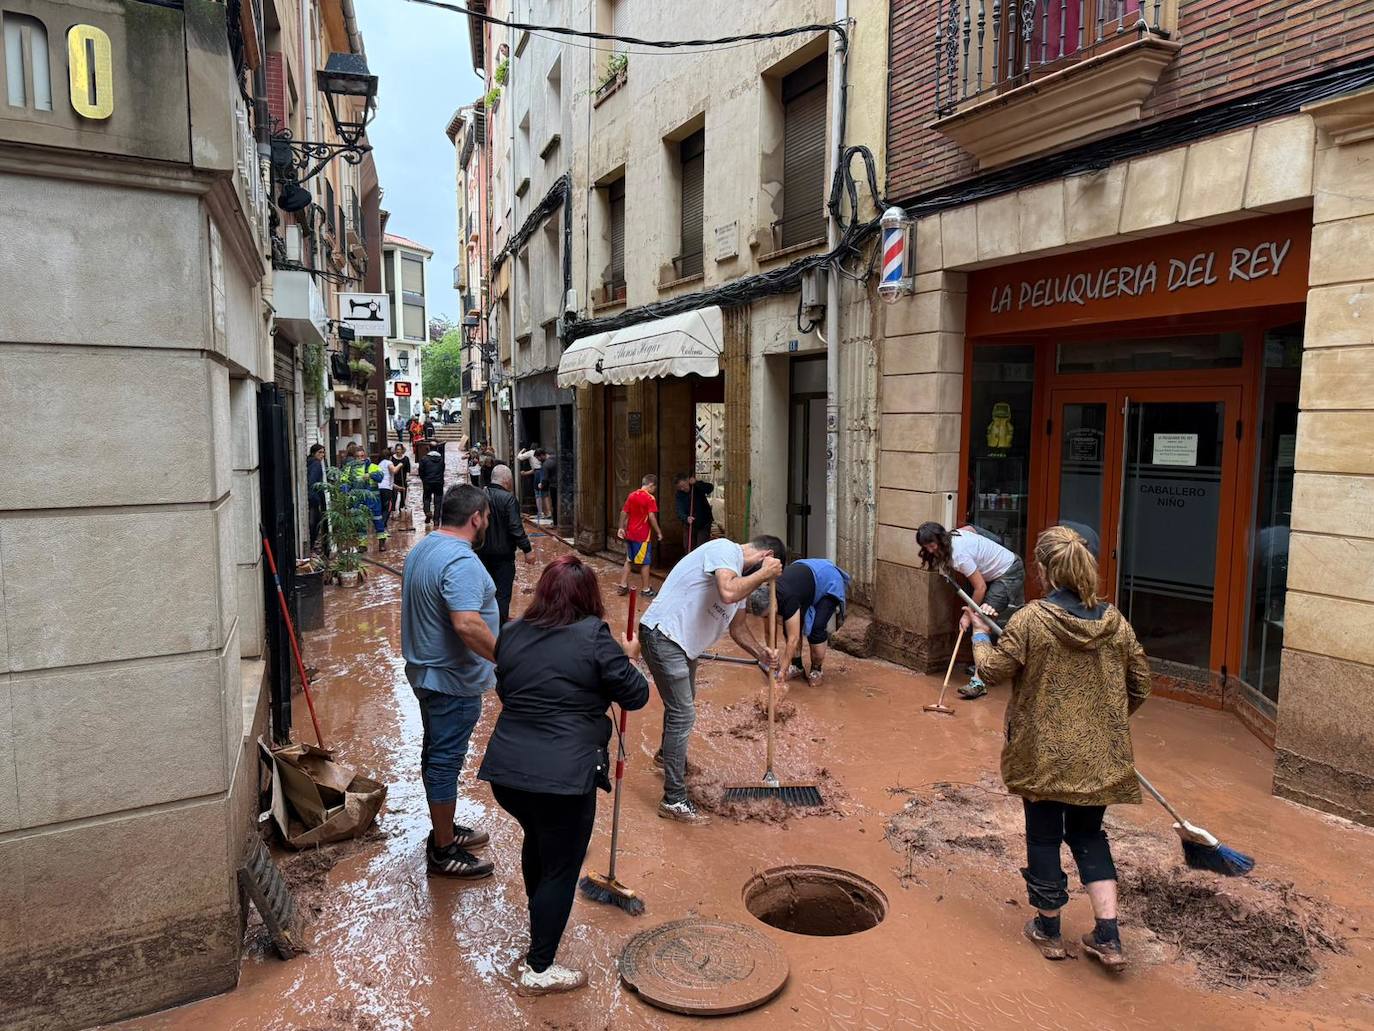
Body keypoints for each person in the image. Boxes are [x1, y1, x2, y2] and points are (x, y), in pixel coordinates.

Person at [964, 526, 1150, 971]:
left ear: (1043, 570)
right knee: (1089, 835)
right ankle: (1108, 935)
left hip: (1043, 755)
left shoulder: (1030, 619)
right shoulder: (1115, 622)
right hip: (1099, 758)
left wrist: (978, 633)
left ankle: (1048, 930)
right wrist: (1103, 721)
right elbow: (1141, 683)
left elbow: (991, 672)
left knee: (1044, 835)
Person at [478, 555, 649, 995]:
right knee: (560, 865)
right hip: (563, 780)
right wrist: (628, 659)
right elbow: (636, 695)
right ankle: (539, 968)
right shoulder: (595, 636)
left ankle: (541, 917)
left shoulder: (510, 632)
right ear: (588, 596)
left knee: (538, 839)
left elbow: (508, 687)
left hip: (509, 776)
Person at [639, 535, 785, 825]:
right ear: (766, 556)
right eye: (768, 568)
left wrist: (761, 655)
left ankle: (667, 758)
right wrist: (765, 575)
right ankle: (674, 800)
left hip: (682, 645)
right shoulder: (725, 550)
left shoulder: (738, 575)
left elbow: (738, 628)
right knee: (683, 713)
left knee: (682, 705)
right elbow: (728, 592)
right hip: (664, 635)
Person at [401, 485, 500, 879]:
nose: (487, 524)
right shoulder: (460, 561)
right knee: (444, 763)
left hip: (429, 675)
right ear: (476, 517)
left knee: (436, 757)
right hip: (451, 682)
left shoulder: (424, 548)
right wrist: (507, 660)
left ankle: (446, 829)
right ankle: (443, 850)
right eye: (487, 518)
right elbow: (466, 623)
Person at [916, 521, 1026, 699]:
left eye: (932, 545)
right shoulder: (953, 534)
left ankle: (979, 682)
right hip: (995, 567)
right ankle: (986, 663)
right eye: (925, 547)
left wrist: (968, 615)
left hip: (1008, 572)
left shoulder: (960, 556)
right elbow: (971, 529)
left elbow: (980, 587)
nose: (929, 551)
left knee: (982, 619)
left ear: (941, 540)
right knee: (980, 614)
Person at [751, 557, 851, 684]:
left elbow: (793, 639)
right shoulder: (766, 594)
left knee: (816, 628)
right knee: (789, 629)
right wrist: (772, 661)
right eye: (765, 616)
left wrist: (782, 671)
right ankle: (797, 665)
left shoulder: (788, 598)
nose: (768, 617)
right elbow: (769, 633)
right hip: (804, 581)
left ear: (774, 603)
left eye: (769, 614)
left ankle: (816, 669)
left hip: (826, 579)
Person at [477, 464, 534, 624]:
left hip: (482, 554)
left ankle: (484, 625)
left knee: (484, 592)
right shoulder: (509, 499)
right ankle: (500, 627)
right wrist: (527, 549)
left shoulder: (481, 495)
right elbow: (515, 527)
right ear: (507, 481)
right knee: (502, 594)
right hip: (503, 556)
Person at [616, 474, 663, 598]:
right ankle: (646, 589)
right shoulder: (650, 498)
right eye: (654, 488)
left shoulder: (632, 495)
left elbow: (623, 512)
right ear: (651, 485)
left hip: (630, 534)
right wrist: (658, 531)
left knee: (629, 560)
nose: (654, 491)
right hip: (642, 536)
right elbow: (652, 517)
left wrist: (620, 527)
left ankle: (623, 585)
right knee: (645, 563)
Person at [674, 472, 714, 552]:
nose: (682, 489)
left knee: (701, 547)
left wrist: (696, 483)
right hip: (689, 524)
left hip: (703, 522)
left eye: (683, 486)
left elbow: (710, 488)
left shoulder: (697, 487)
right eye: (679, 487)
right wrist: (686, 518)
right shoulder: (679, 494)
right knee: (688, 547)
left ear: (688, 481)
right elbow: (679, 510)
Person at [418, 443, 446, 526]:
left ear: (429, 448)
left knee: (426, 498)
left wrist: (424, 479)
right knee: (438, 501)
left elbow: (421, 471)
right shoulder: (441, 459)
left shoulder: (424, 459)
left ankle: (427, 512)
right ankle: (436, 520)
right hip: (439, 483)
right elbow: (442, 470)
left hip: (427, 482)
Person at [307, 444, 326, 553]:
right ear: (314, 453)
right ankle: (311, 546)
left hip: (311, 498)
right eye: (320, 452)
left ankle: (311, 545)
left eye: (323, 452)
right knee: (315, 523)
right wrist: (316, 499)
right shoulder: (316, 464)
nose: (322, 455)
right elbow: (313, 482)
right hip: (314, 498)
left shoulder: (310, 462)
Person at [390, 443, 412, 520]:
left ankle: (401, 510)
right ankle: (393, 512)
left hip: (403, 479)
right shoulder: (392, 458)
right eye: (397, 449)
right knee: (394, 497)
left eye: (399, 449)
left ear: (402, 450)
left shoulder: (406, 459)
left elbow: (408, 469)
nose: (398, 451)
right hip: (395, 479)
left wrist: (407, 477)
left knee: (403, 496)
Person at [376, 447, 396, 526]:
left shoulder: (379, 464)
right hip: (387, 489)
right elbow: (393, 471)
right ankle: (383, 524)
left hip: (379, 487)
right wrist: (400, 465)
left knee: (381, 506)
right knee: (387, 507)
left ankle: (381, 523)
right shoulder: (389, 462)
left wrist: (399, 488)